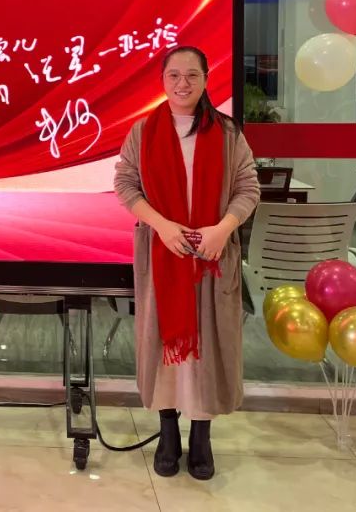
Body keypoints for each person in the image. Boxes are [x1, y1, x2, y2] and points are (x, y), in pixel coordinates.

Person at [114, 46, 260, 480]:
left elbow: (248, 187)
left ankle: (201, 435)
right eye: (174, 75)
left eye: (192, 75)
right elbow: (125, 185)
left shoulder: (227, 133)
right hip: (164, 256)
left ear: (205, 80)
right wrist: (162, 226)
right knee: (165, 346)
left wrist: (222, 229)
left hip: (213, 258)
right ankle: (167, 432)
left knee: (209, 348)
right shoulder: (143, 131)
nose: (183, 84)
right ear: (162, 81)